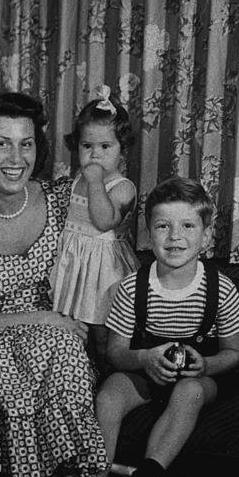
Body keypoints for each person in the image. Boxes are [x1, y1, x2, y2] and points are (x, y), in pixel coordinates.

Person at [0, 93, 108, 477]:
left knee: (63, 354)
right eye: (2, 143)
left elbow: (109, 239)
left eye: (26, 144)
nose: (16, 157)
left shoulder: (64, 200)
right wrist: (42, 318)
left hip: (63, 345)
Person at [96, 177, 239, 477]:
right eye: (163, 226)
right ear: (149, 234)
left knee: (190, 392)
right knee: (108, 396)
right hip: (144, 370)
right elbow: (116, 352)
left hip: (197, 376)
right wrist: (145, 359)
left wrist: (206, 365)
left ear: (206, 235)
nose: (175, 237)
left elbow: (235, 353)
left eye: (187, 226)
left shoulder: (220, 288)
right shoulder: (133, 287)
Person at [50, 85, 139, 372]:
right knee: (73, 328)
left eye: (105, 147)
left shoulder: (122, 187)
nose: (95, 155)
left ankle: (107, 377)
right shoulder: (78, 178)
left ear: (122, 150)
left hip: (104, 272)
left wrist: (96, 183)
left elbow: (103, 221)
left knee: (102, 332)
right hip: (74, 265)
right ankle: (78, 375)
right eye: (87, 146)